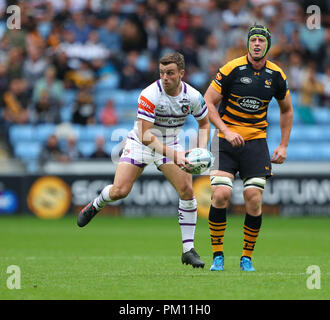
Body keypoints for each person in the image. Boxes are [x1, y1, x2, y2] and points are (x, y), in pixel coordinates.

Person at [77, 52, 210, 268]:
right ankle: (96, 204)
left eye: (170, 73)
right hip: (141, 143)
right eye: (161, 73)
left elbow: (204, 124)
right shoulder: (150, 94)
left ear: (181, 74)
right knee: (120, 190)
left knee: (187, 190)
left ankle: (188, 250)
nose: (165, 77)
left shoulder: (193, 96)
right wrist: (174, 155)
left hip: (171, 142)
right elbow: (147, 135)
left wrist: (201, 151)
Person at [203, 25, 293, 272]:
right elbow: (208, 101)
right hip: (225, 140)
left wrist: (283, 145)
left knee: (253, 199)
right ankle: (218, 255)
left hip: (255, 142)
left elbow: (287, 110)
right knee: (220, 195)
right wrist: (227, 130)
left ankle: (246, 257)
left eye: (261, 41)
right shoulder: (231, 69)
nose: (256, 44)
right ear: (247, 43)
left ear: (267, 45)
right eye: (253, 40)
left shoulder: (276, 75)